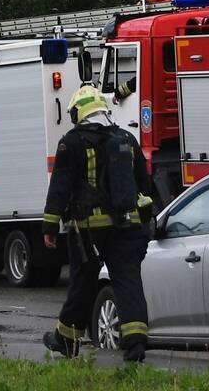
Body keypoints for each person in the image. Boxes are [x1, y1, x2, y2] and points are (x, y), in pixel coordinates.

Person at [40, 85, 154, 363]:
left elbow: (60, 188)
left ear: (81, 111)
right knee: (128, 281)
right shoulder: (126, 138)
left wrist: (49, 228)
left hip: (89, 228)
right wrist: (148, 222)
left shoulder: (72, 142)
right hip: (128, 226)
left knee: (83, 281)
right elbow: (145, 183)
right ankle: (136, 343)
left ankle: (67, 339)